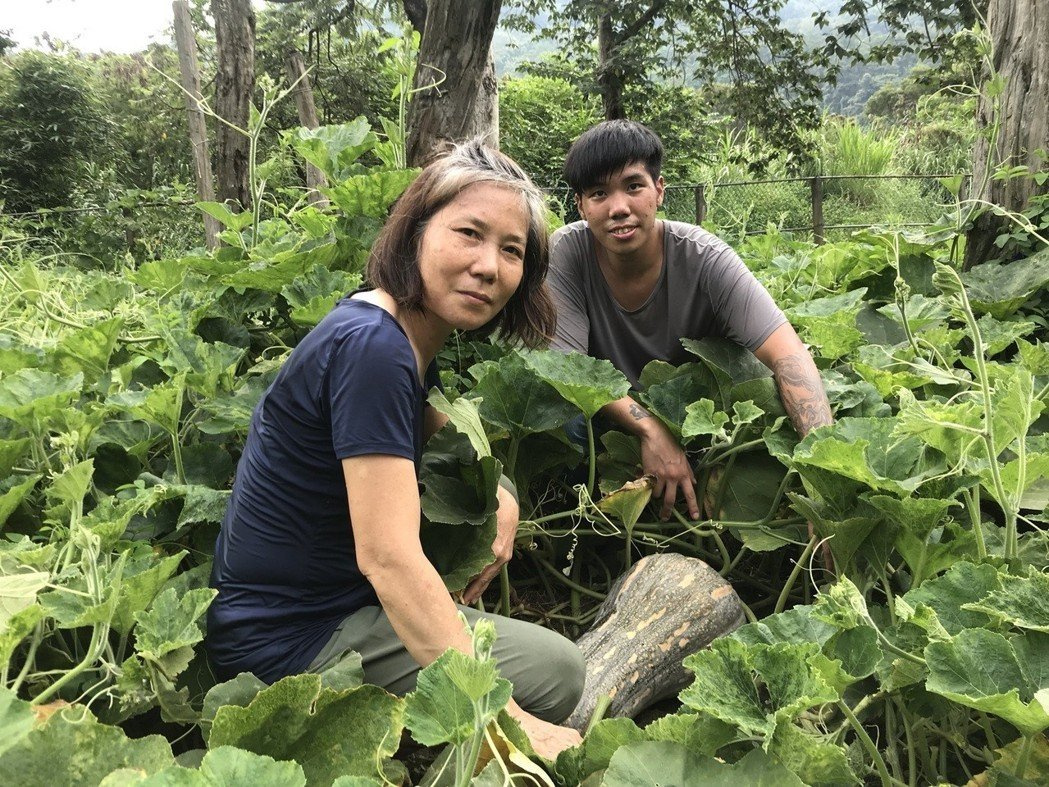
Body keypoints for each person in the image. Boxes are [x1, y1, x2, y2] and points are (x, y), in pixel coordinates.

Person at [207, 141, 585, 758]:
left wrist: (501, 491)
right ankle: (385, 745)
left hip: (297, 617)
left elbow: (440, 428)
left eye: (512, 250)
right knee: (557, 677)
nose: (489, 265)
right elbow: (387, 558)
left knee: (550, 669)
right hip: (289, 646)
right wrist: (505, 720)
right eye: (469, 233)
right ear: (414, 232)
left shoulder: (388, 329)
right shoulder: (374, 349)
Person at [549, 120, 833, 520]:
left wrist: (823, 474)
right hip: (610, 427)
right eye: (599, 193)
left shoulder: (705, 259)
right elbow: (567, 371)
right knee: (567, 418)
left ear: (659, 190)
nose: (619, 208)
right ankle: (585, 523)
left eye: (633, 186)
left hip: (696, 427)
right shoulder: (566, 253)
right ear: (580, 206)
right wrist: (649, 429)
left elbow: (788, 355)